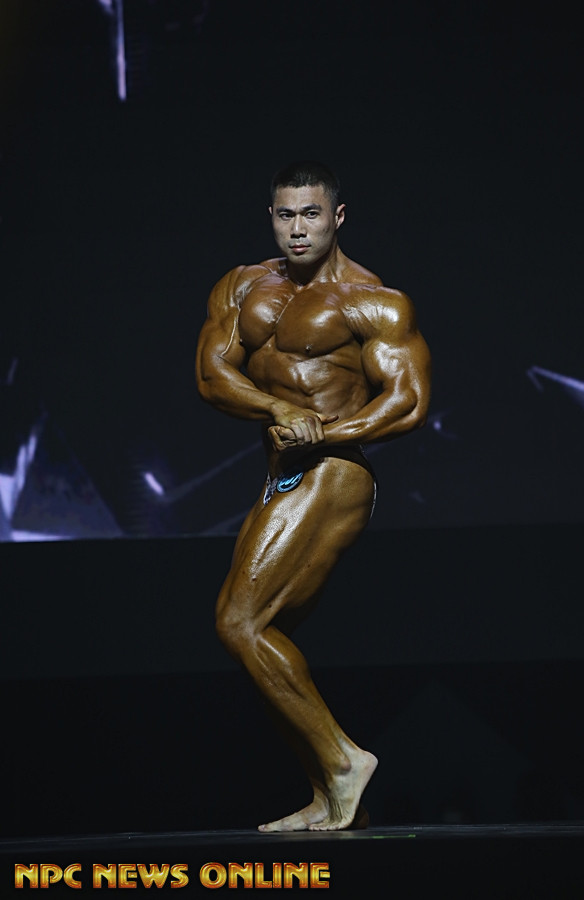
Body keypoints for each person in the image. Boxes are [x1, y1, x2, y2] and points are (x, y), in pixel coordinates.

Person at [195, 160, 431, 832]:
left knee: (240, 622)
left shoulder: (374, 301)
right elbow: (212, 376)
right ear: (271, 218)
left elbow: (408, 402)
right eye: (285, 215)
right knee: (258, 636)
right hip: (283, 473)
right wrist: (278, 408)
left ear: (337, 217)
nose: (297, 229)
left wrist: (324, 431)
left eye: (310, 214)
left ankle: (345, 761)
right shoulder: (243, 286)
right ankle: (328, 792)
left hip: (335, 471)